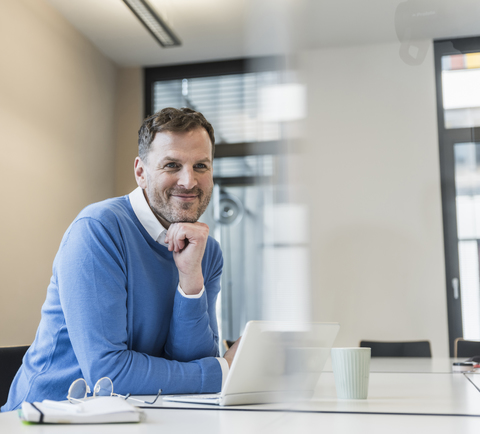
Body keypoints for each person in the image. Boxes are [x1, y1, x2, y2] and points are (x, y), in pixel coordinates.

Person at [2, 107, 238, 412]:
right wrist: (222, 371)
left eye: (201, 166)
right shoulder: (98, 229)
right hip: (45, 417)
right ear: (140, 172)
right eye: (171, 165)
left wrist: (190, 277)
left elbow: (191, 362)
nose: (188, 181)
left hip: (138, 415)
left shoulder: (207, 250)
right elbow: (108, 375)